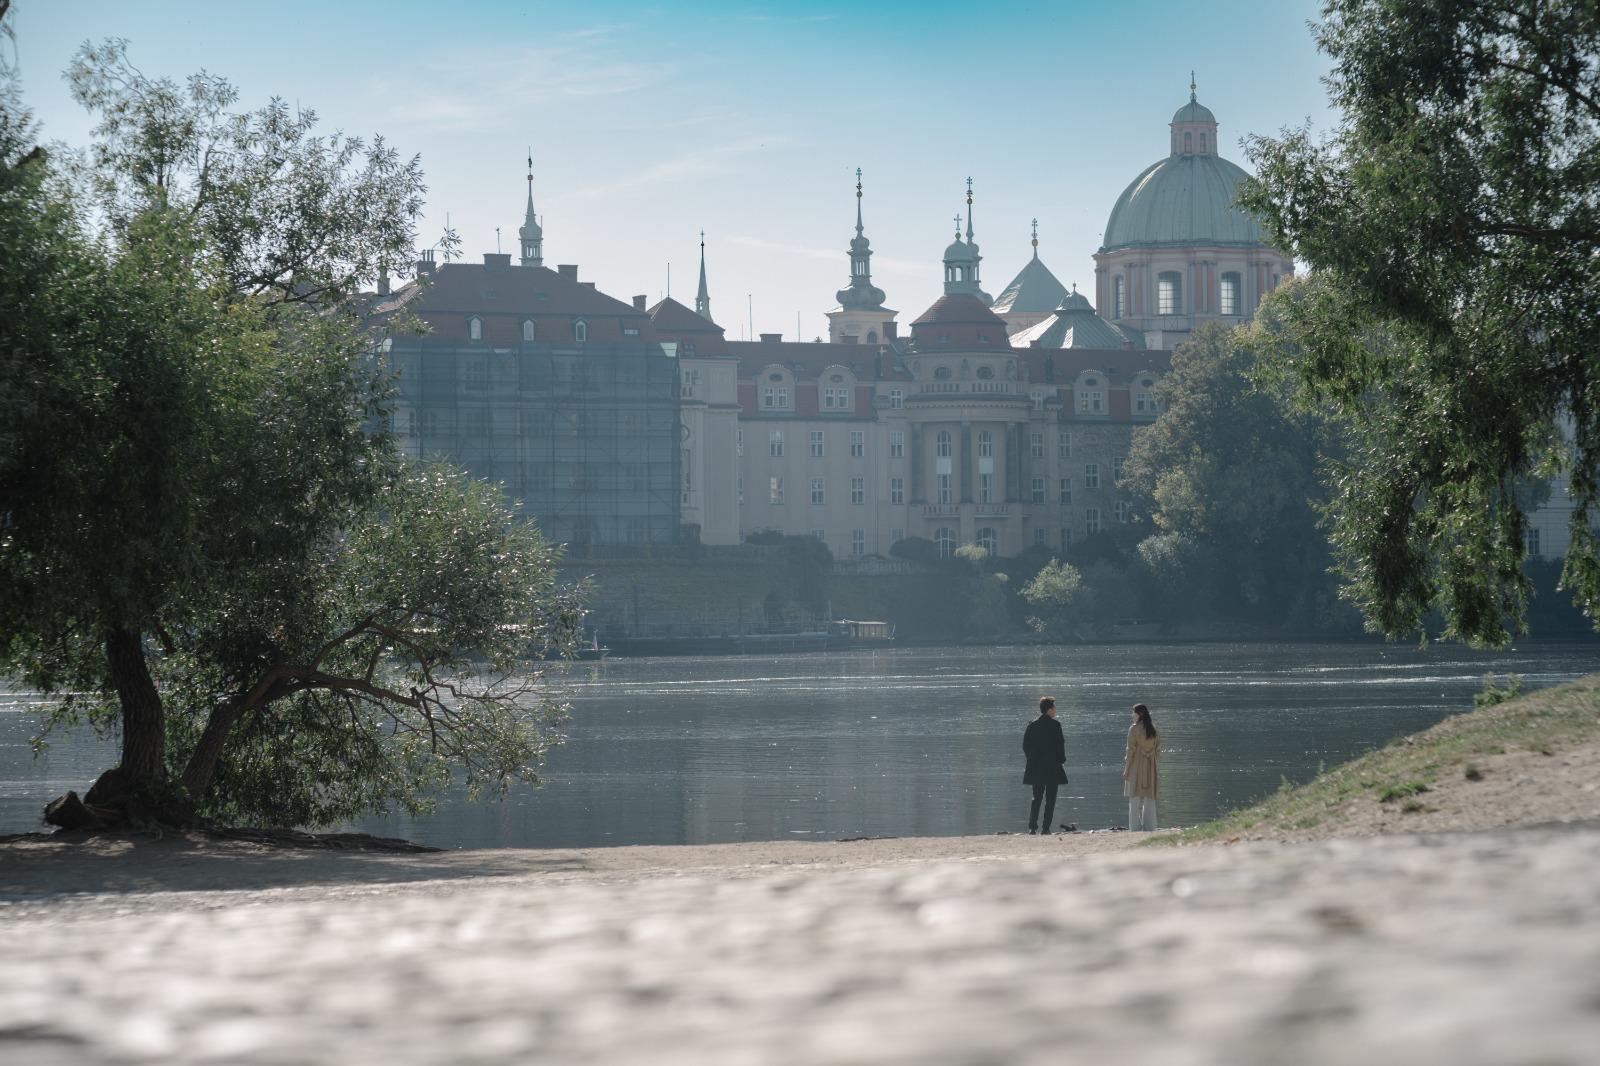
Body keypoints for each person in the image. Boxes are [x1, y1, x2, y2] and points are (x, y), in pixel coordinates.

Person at [1022, 696, 1068, 834]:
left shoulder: (1032, 725)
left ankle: (1032, 827)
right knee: (1050, 800)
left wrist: (1031, 759)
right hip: (1052, 768)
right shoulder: (1055, 725)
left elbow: (1025, 745)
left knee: (1036, 798)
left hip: (1036, 768)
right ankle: (1045, 828)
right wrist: (1061, 760)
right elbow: (1060, 746)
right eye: (1054, 708)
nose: (1055, 711)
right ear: (1049, 709)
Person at [1123, 703, 1160, 831]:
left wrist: (1126, 768)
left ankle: (1135, 828)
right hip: (1150, 766)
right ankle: (1150, 827)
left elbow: (1130, 751)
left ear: (1140, 714)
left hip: (1136, 767)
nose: (1132, 715)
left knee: (1134, 798)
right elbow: (1158, 750)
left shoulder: (1134, 729)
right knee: (1150, 798)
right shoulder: (1154, 728)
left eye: (1134, 712)